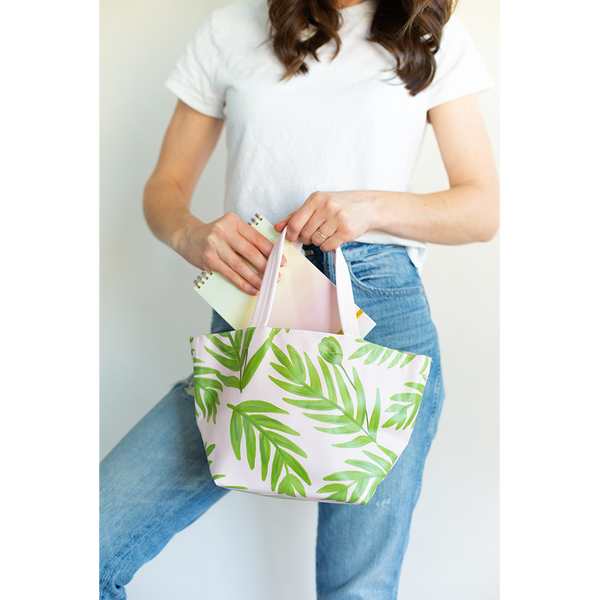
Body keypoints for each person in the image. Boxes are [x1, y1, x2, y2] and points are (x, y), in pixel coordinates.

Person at [96, 0, 502, 598]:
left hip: (380, 321)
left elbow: (483, 207)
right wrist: (191, 233)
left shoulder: (427, 31)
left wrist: (371, 206)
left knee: (355, 590)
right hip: (254, 306)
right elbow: (167, 184)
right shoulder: (231, 27)